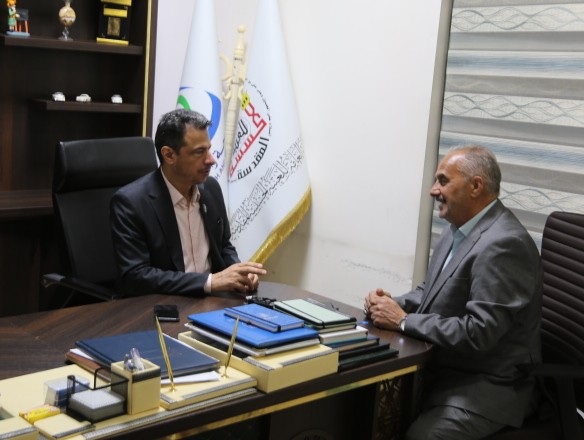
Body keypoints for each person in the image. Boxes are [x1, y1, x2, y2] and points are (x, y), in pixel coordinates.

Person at [364, 145, 542, 440]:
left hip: (490, 386)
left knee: (421, 436)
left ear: (475, 186)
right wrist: (390, 304)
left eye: (443, 181)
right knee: (368, 409)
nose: (433, 190)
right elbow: (430, 291)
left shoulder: (505, 245)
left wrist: (403, 321)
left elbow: (479, 332)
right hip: (446, 371)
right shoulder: (457, 229)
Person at [110, 108, 267, 297]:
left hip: (214, 300)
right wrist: (209, 282)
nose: (211, 160)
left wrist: (238, 272)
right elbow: (136, 276)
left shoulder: (211, 189)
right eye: (199, 152)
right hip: (165, 303)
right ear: (169, 155)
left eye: (208, 149)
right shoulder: (131, 203)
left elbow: (223, 246)